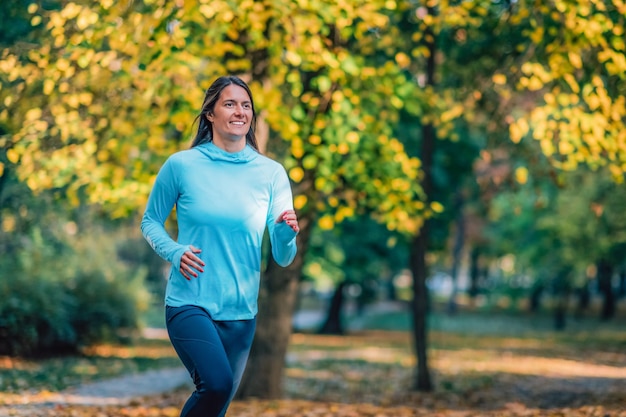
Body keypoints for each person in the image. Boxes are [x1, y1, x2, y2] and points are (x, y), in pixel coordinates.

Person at [140, 75, 299, 417]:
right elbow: (150, 221)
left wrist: (286, 233)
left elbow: (283, 258)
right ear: (210, 114)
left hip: (241, 312)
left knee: (216, 406)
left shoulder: (271, 173)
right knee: (216, 385)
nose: (239, 111)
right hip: (190, 302)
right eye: (229, 103)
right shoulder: (182, 165)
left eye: (246, 105)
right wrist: (174, 251)